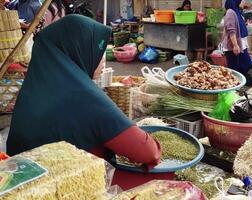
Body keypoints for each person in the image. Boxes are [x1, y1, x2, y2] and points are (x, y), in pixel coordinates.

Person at [6, 15, 161, 170]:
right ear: (78, 50)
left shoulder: (34, 87)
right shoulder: (83, 95)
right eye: (98, 51)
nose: (102, 61)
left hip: (18, 180)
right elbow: (148, 152)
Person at [222, 0, 252, 80]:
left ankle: (242, 81)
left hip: (240, 43)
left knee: (245, 64)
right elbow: (231, 30)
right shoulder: (230, 12)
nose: (244, 2)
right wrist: (235, 45)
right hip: (232, 45)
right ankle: (234, 85)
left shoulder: (237, 11)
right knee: (234, 67)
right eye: (242, 0)